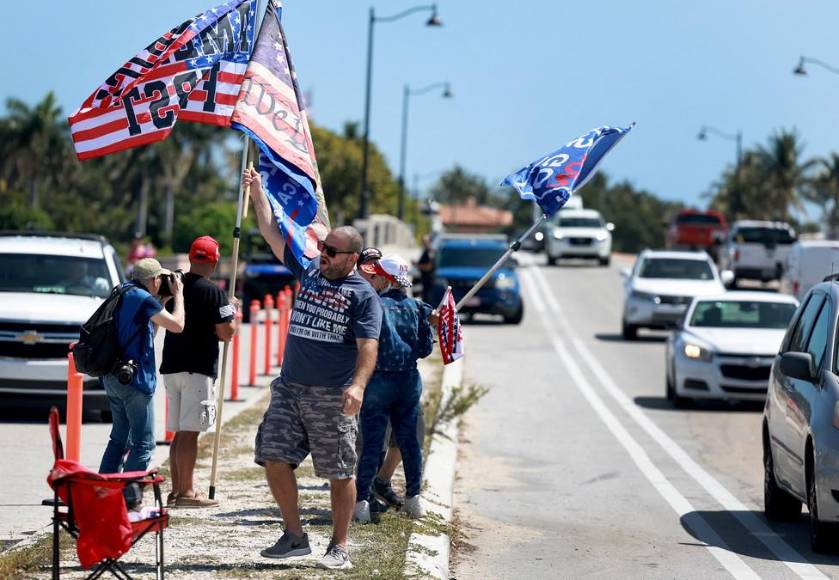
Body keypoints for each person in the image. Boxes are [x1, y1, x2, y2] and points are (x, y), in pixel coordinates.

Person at [242, 168, 382, 571]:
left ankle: (339, 547)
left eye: (332, 251)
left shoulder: (362, 296)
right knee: (272, 456)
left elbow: (368, 347)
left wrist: (358, 386)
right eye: (323, 247)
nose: (324, 254)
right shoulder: (310, 271)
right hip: (290, 388)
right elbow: (271, 232)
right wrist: (257, 192)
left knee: (339, 472)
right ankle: (294, 536)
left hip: (331, 395)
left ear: (352, 258)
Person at [354, 254, 435, 523]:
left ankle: (362, 503)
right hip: (408, 380)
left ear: (384, 278)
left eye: (376, 275)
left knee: (372, 443)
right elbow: (425, 349)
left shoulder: (374, 306)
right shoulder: (417, 308)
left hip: (378, 380)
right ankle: (414, 498)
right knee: (410, 442)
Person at [160, 236, 239, 509]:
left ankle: (176, 490)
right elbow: (226, 333)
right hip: (197, 369)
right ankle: (187, 492)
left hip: (172, 366)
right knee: (190, 432)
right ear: (215, 262)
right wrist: (233, 312)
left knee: (180, 432)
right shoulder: (213, 292)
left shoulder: (176, 286)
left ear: (191, 257)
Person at [99, 258, 185, 475]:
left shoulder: (123, 292)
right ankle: (128, 491)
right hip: (135, 382)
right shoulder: (143, 298)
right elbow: (177, 325)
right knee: (143, 445)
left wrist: (162, 302)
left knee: (119, 440)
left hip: (114, 375)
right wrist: (179, 295)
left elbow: (146, 336)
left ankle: (104, 490)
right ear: (154, 280)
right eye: (161, 279)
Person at [416, 234, 436, 303]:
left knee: (428, 301)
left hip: (428, 281)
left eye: (425, 241)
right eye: (423, 241)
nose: (423, 243)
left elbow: (428, 267)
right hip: (425, 280)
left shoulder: (429, 252)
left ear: (430, 242)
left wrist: (417, 265)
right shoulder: (426, 251)